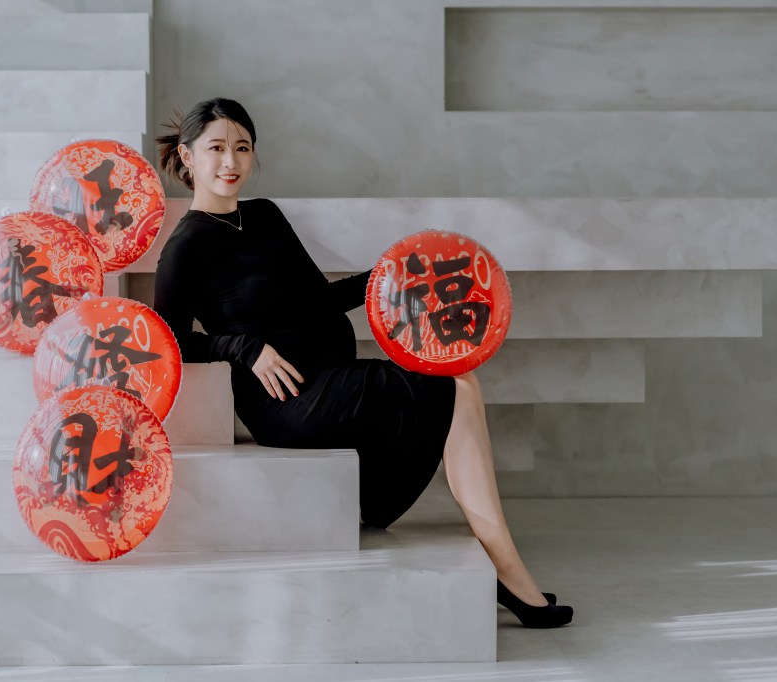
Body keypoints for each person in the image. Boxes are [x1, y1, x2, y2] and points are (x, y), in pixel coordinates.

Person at [153, 97, 573, 628]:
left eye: (242, 147)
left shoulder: (266, 216)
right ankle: (509, 573)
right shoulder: (186, 245)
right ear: (187, 156)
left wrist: (396, 275)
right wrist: (243, 348)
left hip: (332, 377)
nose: (230, 162)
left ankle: (476, 553)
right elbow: (166, 339)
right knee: (454, 388)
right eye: (216, 148)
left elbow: (319, 300)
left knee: (456, 380)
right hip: (287, 402)